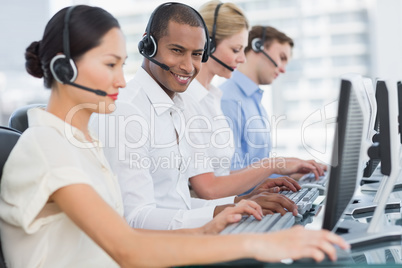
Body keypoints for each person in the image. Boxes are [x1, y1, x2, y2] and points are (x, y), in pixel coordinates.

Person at [0, 5, 349, 267]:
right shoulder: (48, 148)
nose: (121, 80)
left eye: (122, 65)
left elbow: (128, 236)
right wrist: (256, 244)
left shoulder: (78, 145)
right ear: (65, 68)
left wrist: (214, 223)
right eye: (110, 65)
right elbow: (127, 245)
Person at [93, 1, 315, 232]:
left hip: (180, 238)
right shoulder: (127, 111)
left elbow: (175, 203)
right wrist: (223, 211)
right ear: (148, 45)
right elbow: (134, 218)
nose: (188, 66)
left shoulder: (176, 104)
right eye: (177, 50)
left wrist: (238, 203)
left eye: (197, 54)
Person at [181, 1, 325, 200]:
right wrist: (274, 165)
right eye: (235, 49)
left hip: (220, 210)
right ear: (208, 45)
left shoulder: (213, 97)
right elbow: (208, 188)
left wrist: (282, 171)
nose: (242, 58)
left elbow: (222, 176)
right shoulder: (208, 100)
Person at [220, 26, 311, 174]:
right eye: (281, 58)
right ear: (258, 46)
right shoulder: (228, 101)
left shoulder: (256, 103)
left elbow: (255, 171)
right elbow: (229, 178)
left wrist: (295, 174)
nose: (283, 69)